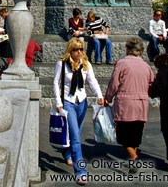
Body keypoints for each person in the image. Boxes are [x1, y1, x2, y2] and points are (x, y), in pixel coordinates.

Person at [53, 37, 104, 185]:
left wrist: (99, 95)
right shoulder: (61, 64)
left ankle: (68, 152)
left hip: (81, 101)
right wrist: (58, 101)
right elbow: (56, 83)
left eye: (81, 49)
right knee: (75, 137)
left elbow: (92, 81)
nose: (79, 52)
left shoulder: (85, 64)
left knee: (76, 132)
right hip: (68, 102)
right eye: (76, 49)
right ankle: (81, 171)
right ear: (70, 51)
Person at [104, 37, 154, 166]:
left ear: (128, 49)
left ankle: (134, 158)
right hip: (141, 103)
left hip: (125, 103)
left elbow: (114, 84)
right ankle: (133, 160)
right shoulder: (146, 66)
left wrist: (108, 98)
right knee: (135, 136)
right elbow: (151, 83)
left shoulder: (121, 63)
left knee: (123, 136)